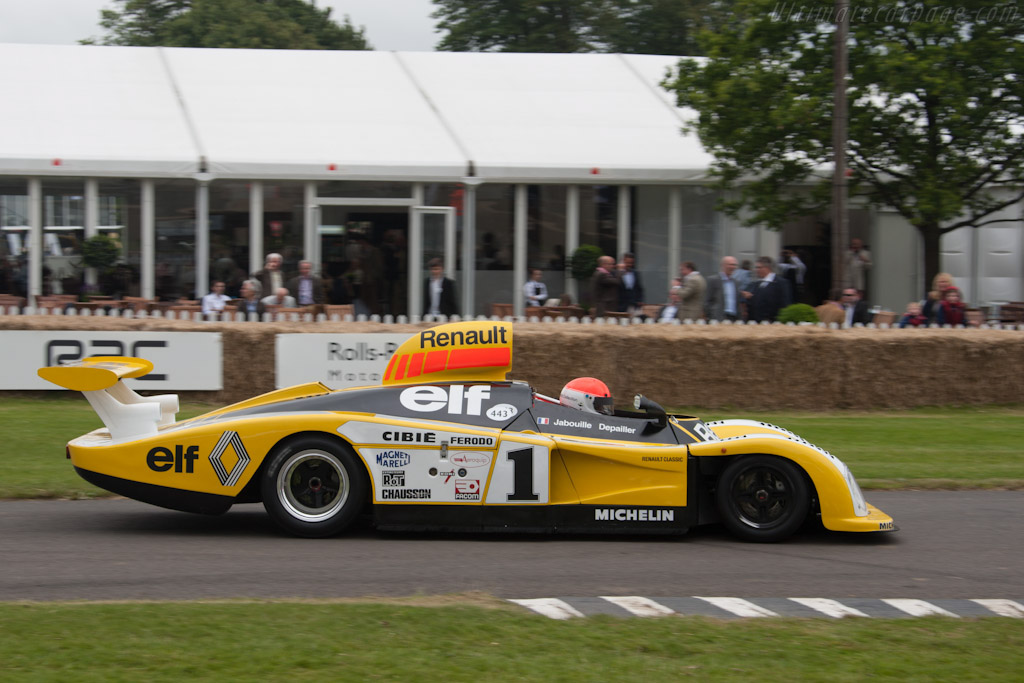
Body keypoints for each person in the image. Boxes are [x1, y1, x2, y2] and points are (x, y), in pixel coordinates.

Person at [742, 256, 792, 322]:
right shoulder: (756, 284)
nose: (756, 270)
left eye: (759, 267)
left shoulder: (781, 283)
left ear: (767, 268)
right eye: (756, 268)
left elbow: (786, 303)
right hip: (755, 323)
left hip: (772, 323)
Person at [704, 256, 742, 321]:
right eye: (731, 265)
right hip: (718, 318)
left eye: (735, 265)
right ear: (723, 265)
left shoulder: (736, 283)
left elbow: (737, 302)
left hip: (733, 318)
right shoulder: (713, 280)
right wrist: (711, 315)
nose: (733, 267)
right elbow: (707, 300)